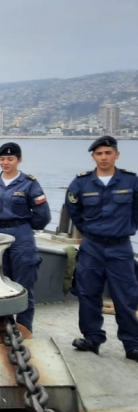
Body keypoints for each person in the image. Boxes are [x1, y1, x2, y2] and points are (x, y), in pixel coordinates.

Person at [64, 135, 138, 362]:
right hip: (92, 246)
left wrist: (127, 227)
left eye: (108, 153)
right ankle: (92, 338)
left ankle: (132, 344)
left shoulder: (130, 181)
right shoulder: (82, 183)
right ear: (93, 157)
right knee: (88, 294)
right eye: (99, 153)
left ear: (116, 154)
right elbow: (73, 209)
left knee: (126, 296)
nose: (103, 157)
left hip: (120, 247)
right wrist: (89, 230)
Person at [0, 142, 51, 332]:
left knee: (24, 282)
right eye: (2, 159)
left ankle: (23, 326)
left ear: (19, 160)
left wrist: (28, 227)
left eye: (10, 159)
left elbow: (42, 214)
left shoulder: (29, 183)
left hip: (21, 233)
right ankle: (0, 323)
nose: (6, 162)